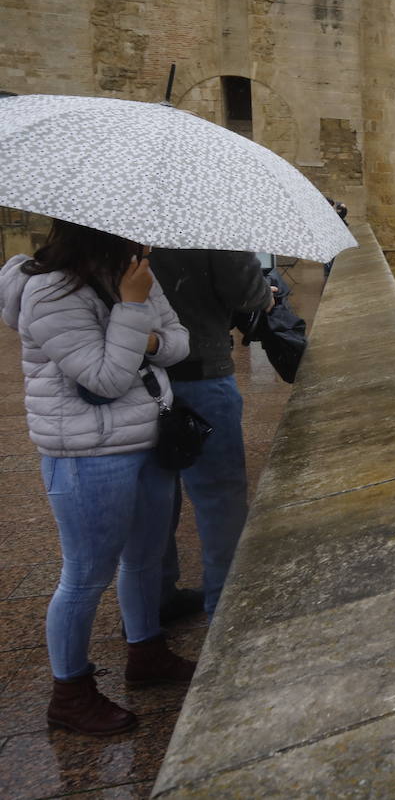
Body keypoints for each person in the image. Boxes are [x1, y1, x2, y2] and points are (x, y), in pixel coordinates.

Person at [1, 221, 196, 736]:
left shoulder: (132, 276)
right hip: (89, 453)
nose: (147, 243)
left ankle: (146, 652)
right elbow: (106, 379)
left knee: (145, 560)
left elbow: (180, 344)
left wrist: (144, 329)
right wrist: (133, 310)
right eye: (135, 233)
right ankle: (69, 692)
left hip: (150, 437)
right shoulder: (48, 291)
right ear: (102, 234)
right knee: (86, 575)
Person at [147, 248, 273, 620]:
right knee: (219, 498)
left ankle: (152, 601)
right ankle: (226, 608)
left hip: (138, 379)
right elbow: (246, 293)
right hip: (200, 371)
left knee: (155, 497)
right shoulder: (209, 216)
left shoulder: (117, 214)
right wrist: (266, 294)